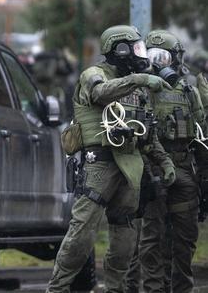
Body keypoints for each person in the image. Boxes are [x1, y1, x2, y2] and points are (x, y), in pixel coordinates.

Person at [47, 25, 175, 292]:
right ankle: (57, 288)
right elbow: (100, 93)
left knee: (125, 239)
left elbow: (146, 132)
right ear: (120, 50)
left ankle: (114, 288)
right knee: (81, 235)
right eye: (136, 48)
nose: (141, 54)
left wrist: (164, 161)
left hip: (130, 167)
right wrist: (140, 79)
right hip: (99, 165)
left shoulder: (136, 86)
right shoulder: (94, 74)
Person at [135, 30, 207, 292]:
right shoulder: (140, 88)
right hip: (152, 171)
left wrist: (204, 179)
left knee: (185, 238)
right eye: (153, 57)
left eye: (164, 58)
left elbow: (201, 137)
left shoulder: (189, 92)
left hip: (184, 171)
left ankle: (181, 288)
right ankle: (155, 288)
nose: (158, 63)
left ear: (176, 60)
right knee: (152, 237)